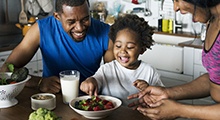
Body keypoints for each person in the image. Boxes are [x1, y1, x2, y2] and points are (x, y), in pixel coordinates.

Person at [127, 0, 220, 119]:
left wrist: (180, 110)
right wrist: (168, 92)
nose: (175, 8)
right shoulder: (213, 21)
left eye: (176, 0)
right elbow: (214, 78)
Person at [0, 0, 114, 94]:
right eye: (71, 21)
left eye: (85, 19)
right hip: (53, 100)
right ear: (57, 16)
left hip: (89, 102)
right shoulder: (40, 30)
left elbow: (115, 77)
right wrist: (39, 82)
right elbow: (6, 69)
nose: (80, 28)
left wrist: (98, 81)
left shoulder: (106, 33)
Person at [80, 14, 164, 106]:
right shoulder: (106, 69)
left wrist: (148, 89)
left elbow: (161, 98)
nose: (123, 51)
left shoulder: (150, 72)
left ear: (142, 50)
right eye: (118, 46)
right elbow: (95, 80)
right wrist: (89, 81)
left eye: (130, 47)